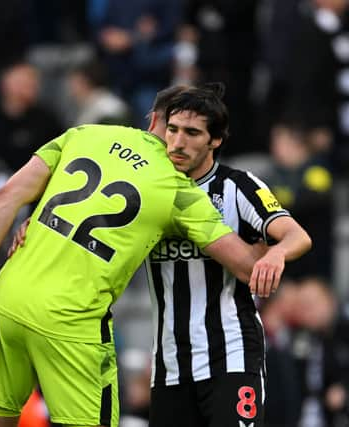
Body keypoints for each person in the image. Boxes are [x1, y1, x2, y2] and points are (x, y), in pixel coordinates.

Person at [0, 89, 287, 426]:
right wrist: (266, 244)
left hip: (9, 300)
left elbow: (6, 196)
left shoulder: (83, 134)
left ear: (151, 118)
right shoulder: (177, 189)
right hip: (72, 322)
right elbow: (248, 268)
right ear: (169, 124)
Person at [142, 85, 311, 427]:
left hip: (231, 358)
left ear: (214, 140)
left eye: (192, 133)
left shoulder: (237, 187)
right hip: (170, 366)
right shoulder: (147, 188)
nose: (177, 142)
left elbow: (297, 236)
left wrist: (276, 255)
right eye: (173, 130)